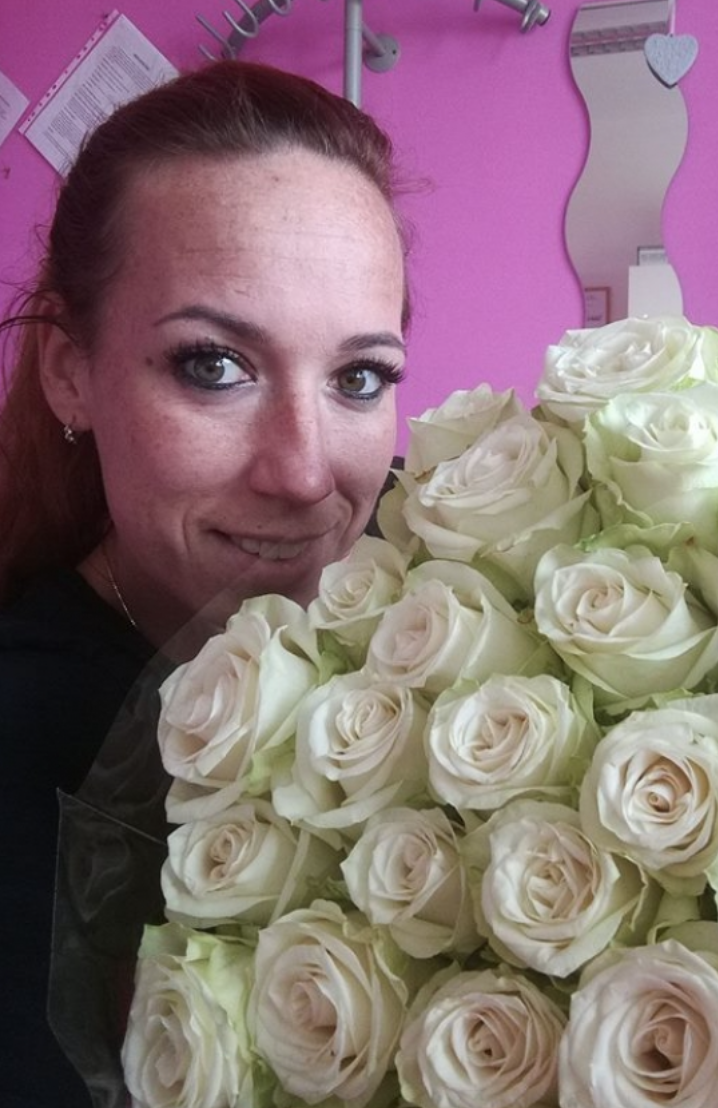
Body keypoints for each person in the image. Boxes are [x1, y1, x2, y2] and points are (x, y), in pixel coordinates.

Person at [0, 60, 410, 1107]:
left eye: (359, 376)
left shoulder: (450, 584)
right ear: (69, 369)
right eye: (214, 365)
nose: (305, 474)